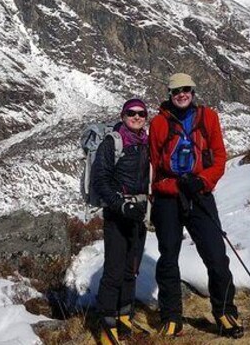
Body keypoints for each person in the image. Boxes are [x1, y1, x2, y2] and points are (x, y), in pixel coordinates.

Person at [149, 73, 243, 338]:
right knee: (168, 258)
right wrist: (168, 189)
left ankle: (225, 312)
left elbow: (219, 156)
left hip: (199, 194)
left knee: (215, 254)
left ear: (193, 91)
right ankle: (171, 317)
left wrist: (202, 181)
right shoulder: (158, 123)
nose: (182, 94)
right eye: (176, 90)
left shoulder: (208, 117)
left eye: (186, 89)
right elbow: (155, 166)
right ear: (169, 93)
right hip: (168, 198)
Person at [92, 98, 151, 345]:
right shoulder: (112, 142)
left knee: (131, 269)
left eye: (141, 113)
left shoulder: (146, 143)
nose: (136, 117)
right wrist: (121, 205)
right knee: (114, 270)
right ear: (123, 115)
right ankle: (106, 325)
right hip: (118, 214)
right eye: (131, 113)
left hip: (139, 212)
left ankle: (124, 318)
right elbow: (101, 180)